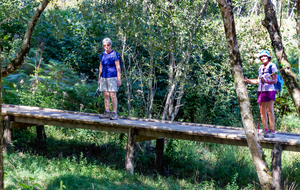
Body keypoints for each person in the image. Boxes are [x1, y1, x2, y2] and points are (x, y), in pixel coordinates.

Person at [244, 50, 278, 138]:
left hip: (269, 90)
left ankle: (272, 131)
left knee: (269, 111)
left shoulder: (272, 66)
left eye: (265, 56)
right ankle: (265, 129)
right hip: (261, 90)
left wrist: (266, 81)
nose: (263, 58)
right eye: (261, 56)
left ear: (268, 57)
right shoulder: (260, 67)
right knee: (262, 111)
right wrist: (249, 81)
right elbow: (259, 81)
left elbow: (275, 80)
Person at [98, 38, 121, 120]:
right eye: (104, 45)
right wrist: (99, 78)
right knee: (105, 94)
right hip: (104, 76)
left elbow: (118, 67)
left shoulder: (114, 54)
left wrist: (119, 79)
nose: (106, 47)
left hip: (112, 76)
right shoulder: (102, 55)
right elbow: (101, 67)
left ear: (110, 45)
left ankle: (114, 113)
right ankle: (107, 112)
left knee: (113, 95)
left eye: (108, 45)